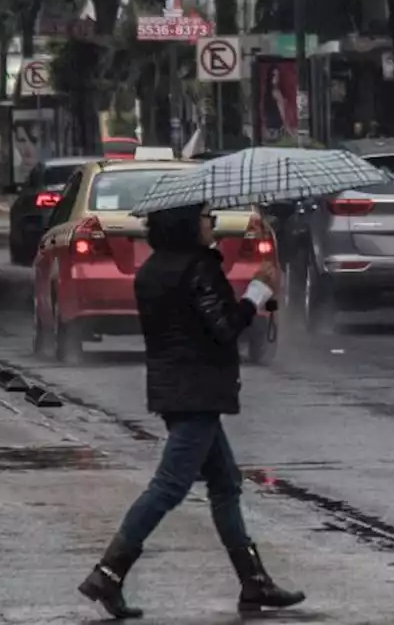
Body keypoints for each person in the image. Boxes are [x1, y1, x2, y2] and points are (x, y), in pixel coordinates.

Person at [77, 202, 305, 619]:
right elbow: (223, 329)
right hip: (197, 391)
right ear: (185, 224)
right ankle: (108, 571)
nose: (212, 221)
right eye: (205, 216)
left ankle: (254, 583)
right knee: (169, 485)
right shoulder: (198, 268)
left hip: (173, 388)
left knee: (226, 484)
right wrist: (255, 294)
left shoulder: (152, 270)